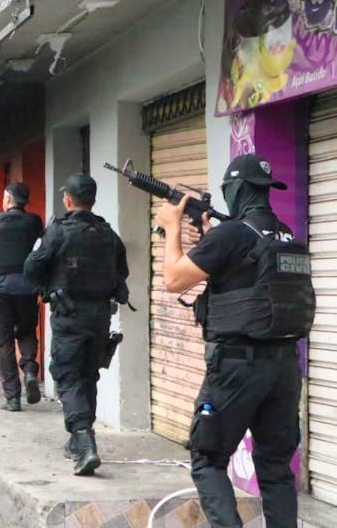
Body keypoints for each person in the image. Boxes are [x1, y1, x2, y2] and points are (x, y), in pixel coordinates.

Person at [156, 153, 313, 528]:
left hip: (237, 367)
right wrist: (211, 240)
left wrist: (172, 227)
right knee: (275, 468)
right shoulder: (285, 235)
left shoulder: (232, 234)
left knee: (208, 459)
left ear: (234, 189)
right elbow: (248, 277)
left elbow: (175, 280)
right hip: (284, 367)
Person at [24, 174, 129, 476]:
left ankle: (83, 440)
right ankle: (78, 440)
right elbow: (122, 271)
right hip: (99, 317)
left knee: (68, 376)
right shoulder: (108, 233)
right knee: (88, 375)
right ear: (92, 199)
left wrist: (47, 287)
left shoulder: (58, 232)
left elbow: (31, 268)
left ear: (68, 199)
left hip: (69, 316)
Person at [0, 182, 44, 412]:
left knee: (4, 342)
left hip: (1, 290)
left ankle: (13, 398)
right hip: (28, 287)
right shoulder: (34, 222)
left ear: (7, 199)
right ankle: (30, 369)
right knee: (26, 331)